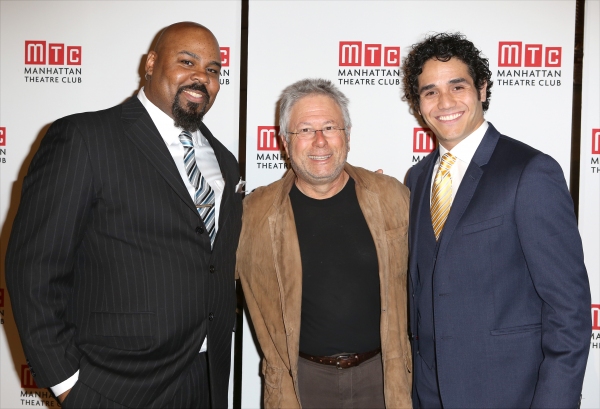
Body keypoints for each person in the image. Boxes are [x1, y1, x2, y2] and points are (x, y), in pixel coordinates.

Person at [6, 22, 242, 409]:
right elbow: (34, 268)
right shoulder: (84, 138)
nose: (202, 76)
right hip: (115, 386)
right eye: (187, 61)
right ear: (150, 64)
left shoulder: (225, 163)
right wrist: (68, 384)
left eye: (214, 70)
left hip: (207, 381)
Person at [402, 32, 591, 408]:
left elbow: (568, 311)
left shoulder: (530, 172)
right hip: (430, 394)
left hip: (509, 394)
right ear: (418, 104)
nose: (445, 102)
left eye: (458, 86)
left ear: (483, 89)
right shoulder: (417, 179)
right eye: (430, 92)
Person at [236, 78, 412, 408]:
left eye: (330, 126)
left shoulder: (393, 197)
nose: (319, 141)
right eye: (305, 130)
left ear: (346, 135)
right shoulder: (252, 215)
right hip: (300, 383)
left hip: (382, 380)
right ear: (285, 143)